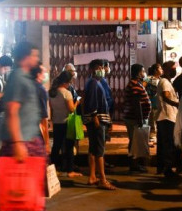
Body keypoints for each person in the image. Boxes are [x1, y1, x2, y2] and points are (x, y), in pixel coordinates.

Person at [0, 41, 50, 211]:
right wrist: (18, 143)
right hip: (20, 139)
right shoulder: (18, 77)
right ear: (25, 57)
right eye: (34, 56)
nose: (36, 59)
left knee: (30, 179)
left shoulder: (25, 77)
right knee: (16, 183)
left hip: (28, 136)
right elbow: (11, 110)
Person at [83, 59, 115, 190]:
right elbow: (92, 102)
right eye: (98, 68)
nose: (101, 70)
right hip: (98, 120)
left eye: (102, 67)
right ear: (91, 70)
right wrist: (95, 117)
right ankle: (103, 179)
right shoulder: (93, 83)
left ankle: (92, 176)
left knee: (93, 148)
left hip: (98, 119)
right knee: (100, 150)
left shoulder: (96, 82)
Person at [48, 71, 81, 177]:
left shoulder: (52, 92)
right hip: (67, 123)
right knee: (69, 146)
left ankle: (54, 169)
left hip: (57, 122)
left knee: (56, 146)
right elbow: (71, 109)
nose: (70, 84)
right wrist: (78, 102)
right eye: (70, 82)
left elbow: (51, 108)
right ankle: (70, 171)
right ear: (66, 82)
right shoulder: (66, 93)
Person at [122, 64, 151, 173]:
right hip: (134, 118)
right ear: (139, 73)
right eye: (143, 71)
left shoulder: (137, 83)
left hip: (136, 117)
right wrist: (140, 119)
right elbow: (136, 103)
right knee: (134, 142)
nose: (144, 74)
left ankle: (137, 164)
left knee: (136, 141)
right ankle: (134, 164)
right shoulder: (134, 85)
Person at [156, 60, 179, 178]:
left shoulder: (166, 81)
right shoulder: (165, 82)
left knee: (164, 143)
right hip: (167, 117)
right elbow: (165, 97)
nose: (175, 70)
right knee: (168, 144)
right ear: (168, 69)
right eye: (173, 68)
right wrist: (176, 104)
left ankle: (162, 167)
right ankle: (167, 169)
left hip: (166, 117)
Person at [29, 64, 51, 155]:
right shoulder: (41, 89)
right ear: (38, 74)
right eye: (44, 72)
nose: (46, 74)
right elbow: (43, 118)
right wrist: (46, 142)